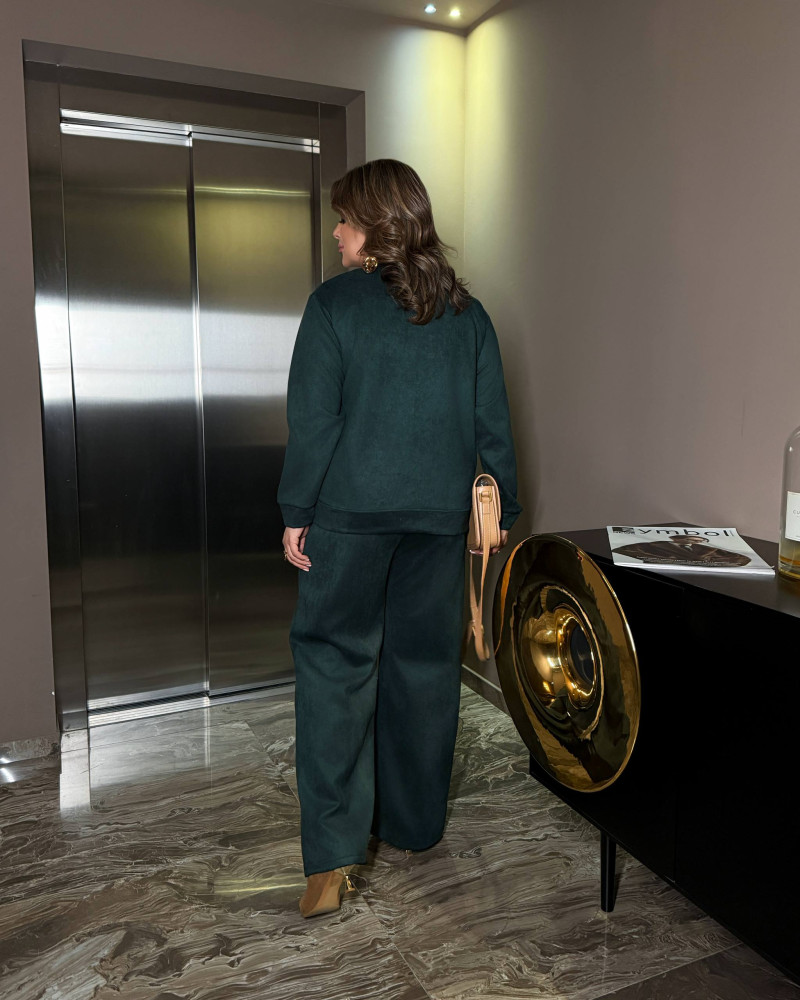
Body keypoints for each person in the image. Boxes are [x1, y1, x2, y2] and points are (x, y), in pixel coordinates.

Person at [277, 159, 521, 918]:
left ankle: (332, 859)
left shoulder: (333, 306)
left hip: (348, 519)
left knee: (335, 668)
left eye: (346, 220)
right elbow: (493, 426)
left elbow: (314, 422)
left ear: (376, 225)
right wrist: (502, 507)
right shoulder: (467, 315)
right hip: (438, 521)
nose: (338, 233)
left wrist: (295, 509)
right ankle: (415, 826)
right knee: (423, 668)